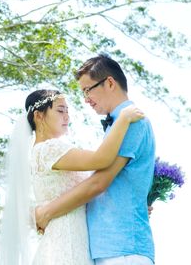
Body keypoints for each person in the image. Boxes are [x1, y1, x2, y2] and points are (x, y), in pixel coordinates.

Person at [0, 89, 144, 265]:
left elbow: (85, 194)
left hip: (70, 240)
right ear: (39, 116)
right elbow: (101, 159)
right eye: (60, 110)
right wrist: (123, 119)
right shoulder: (49, 149)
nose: (67, 117)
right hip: (67, 244)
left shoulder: (40, 152)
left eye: (68, 111)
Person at [35, 54, 156, 265]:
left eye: (88, 90)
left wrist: (47, 212)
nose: (86, 99)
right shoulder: (117, 124)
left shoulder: (131, 120)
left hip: (122, 248)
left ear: (109, 82)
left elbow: (99, 183)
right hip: (108, 247)